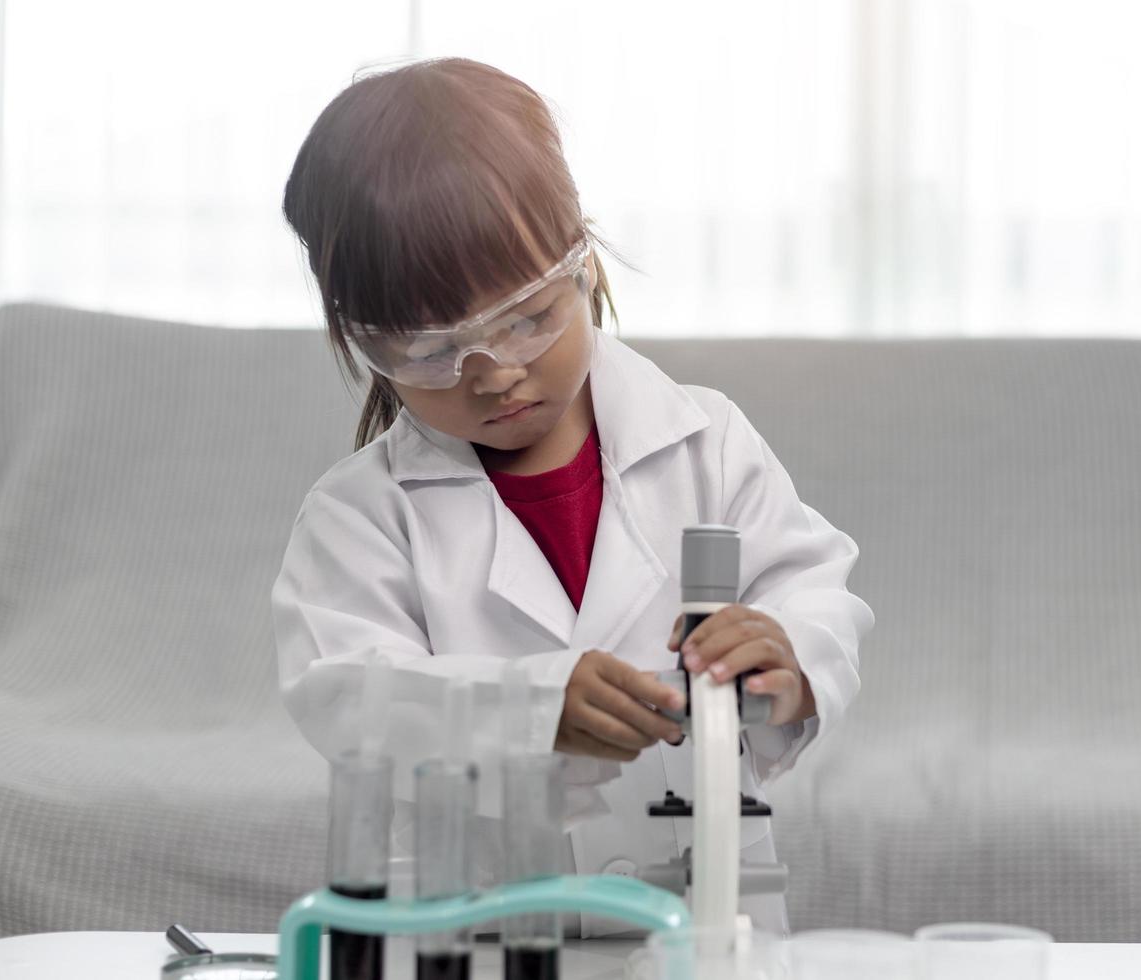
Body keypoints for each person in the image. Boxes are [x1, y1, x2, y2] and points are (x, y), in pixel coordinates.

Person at [271, 57, 873, 936]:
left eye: (526, 316)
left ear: (583, 266)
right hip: (478, 924)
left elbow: (816, 588)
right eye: (434, 351)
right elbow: (346, 696)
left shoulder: (707, 444)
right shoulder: (361, 516)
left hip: (698, 918)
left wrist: (790, 653)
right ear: (363, 344)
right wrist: (530, 708)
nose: (497, 373)